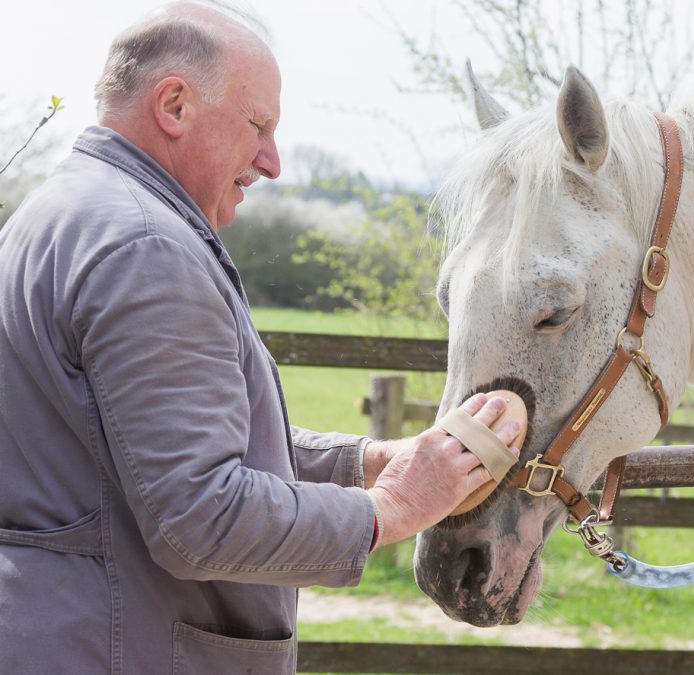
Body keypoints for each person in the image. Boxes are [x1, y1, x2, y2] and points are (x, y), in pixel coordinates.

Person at [0, 2, 520, 672]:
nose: (271, 161)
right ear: (175, 105)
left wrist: (362, 461)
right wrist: (390, 508)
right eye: (258, 125)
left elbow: (142, 445)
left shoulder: (55, 215)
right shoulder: (145, 247)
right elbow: (199, 516)